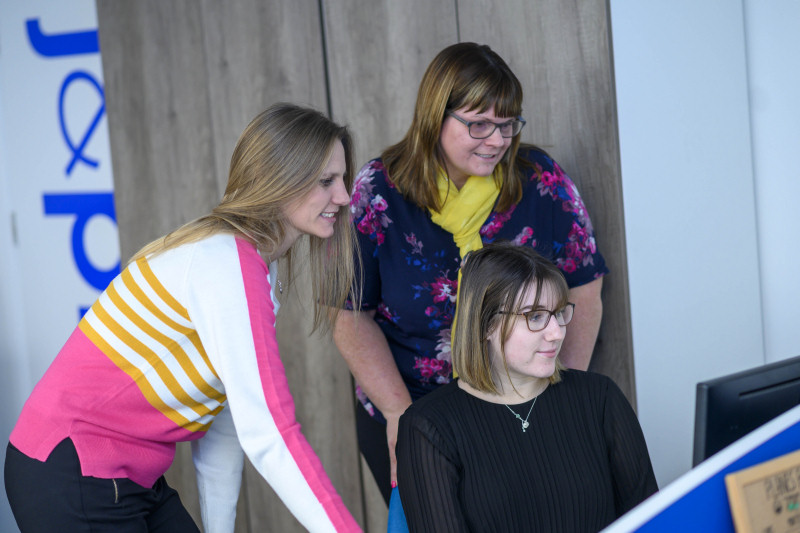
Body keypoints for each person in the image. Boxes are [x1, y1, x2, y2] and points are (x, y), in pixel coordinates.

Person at [4, 103, 362, 533]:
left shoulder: (252, 271)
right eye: (326, 181)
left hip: (128, 475)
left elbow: (225, 426)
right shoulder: (226, 264)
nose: (343, 197)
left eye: (342, 179)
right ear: (279, 180)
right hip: (73, 468)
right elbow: (270, 432)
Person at [333, 42, 608, 503]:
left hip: (523, 409)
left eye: (507, 124)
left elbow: (586, 290)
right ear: (434, 116)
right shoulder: (379, 192)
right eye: (479, 123)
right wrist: (403, 417)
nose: (498, 140)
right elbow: (349, 316)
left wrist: (564, 396)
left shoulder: (540, 182)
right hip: (411, 407)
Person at [396, 242, 657, 532]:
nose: (557, 333)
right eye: (535, 317)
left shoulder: (600, 398)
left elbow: (651, 521)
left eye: (558, 313)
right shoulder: (428, 427)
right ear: (486, 326)